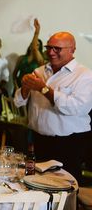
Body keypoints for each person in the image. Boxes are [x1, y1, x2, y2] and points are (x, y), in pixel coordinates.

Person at [14, 31, 92, 181]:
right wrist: (26, 86)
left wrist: (43, 89)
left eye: (57, 48)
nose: (51, 52)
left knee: (65, 188)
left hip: (68, 143)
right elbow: (18, 102)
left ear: (72, 49)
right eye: (48, 47)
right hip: (38, 139)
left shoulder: (84, 75)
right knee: (36, 183)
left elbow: (76, 108)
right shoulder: (39, 71)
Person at [13, 18, 44, 88]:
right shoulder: (22, 58)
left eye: (37, 45)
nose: (35, 45)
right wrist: (16, 86)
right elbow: (14, 74)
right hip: (19, 86)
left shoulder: (40, 59)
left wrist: (37, 32)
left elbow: (34, 49)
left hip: (32, 88)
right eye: (33, 44)